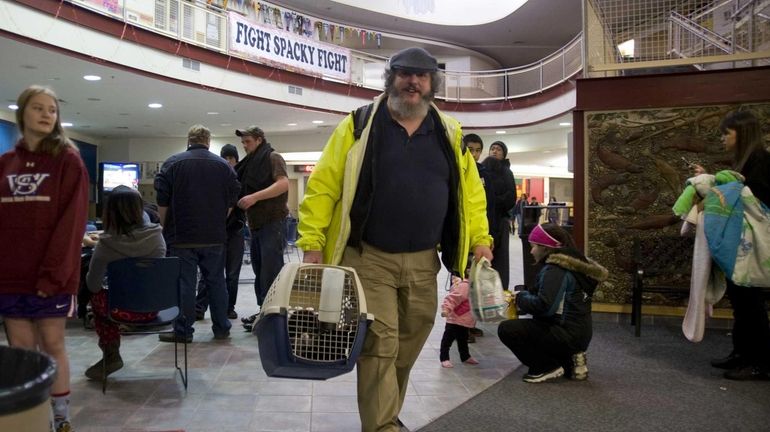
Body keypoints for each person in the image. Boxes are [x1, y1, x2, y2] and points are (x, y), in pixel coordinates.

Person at [296, 46, 493, 432]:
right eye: (405, 74)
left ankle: (387, 413)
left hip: (424, 260)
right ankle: (382, 425)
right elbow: (323, 187)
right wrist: (312, 242)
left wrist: (480, 238)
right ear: (391, 79)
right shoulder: (358, 125)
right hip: (368, 258)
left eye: (421, 76)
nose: (413, 82)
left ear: (432, 83)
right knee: (380, 344)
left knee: (410, 340)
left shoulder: (448, 132)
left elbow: (471, 194)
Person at [0, 85, 89, 432]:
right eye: (38, 108)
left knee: (52, 344)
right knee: (22, 350)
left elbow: (71, 224)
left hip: (51, 276)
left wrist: (53, 275)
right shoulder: (6, 164)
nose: (46, 114)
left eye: (52, 109)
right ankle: (34, 420)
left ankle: (62, 418)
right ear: (22, 113)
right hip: (10, 276)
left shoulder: (68, 161)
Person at [692, 110, 770, 380]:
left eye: (727, 133)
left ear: (743, 134)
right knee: (741, 302)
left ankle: (760, 362)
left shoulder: (761, 162)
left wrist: (713, 189)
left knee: (752, 305)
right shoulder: (747, 162)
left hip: (753, 247)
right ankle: (741, 354)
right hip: (741, 245)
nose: (723, 138)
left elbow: (750, 198)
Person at [154, 125, 240, 342]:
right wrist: (219, 221)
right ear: (208, 142)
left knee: (185, 284)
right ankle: (222, 328)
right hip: (214, 235)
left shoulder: (173, 163)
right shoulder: (224, 166)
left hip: (182, 235)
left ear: (189, 140)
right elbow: (232, 201)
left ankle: (183, 331)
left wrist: (164, 228)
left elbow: (162, 201)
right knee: (216, 281)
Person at [498, 223, 608, 383]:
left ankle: (546, 367)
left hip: (566, 333)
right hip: (579, 332)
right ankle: (571, 360)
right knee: (536, 326)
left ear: (546, 247)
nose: (531, 251)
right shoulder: (574, 265)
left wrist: (520, 298)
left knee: (507, 329)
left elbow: (545, 306)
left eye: (533, 246)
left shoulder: (555, 270)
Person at [83, 186, 166, 380]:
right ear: (140, 209)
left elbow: (93, 285)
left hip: (120, 311)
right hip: (157, 308)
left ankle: (111, 354)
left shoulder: (105, 245)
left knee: (97, 297)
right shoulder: (157, 236)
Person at [233, 126, 289, 329]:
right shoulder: (250, 164)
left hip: (272, 222)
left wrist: (254, 197)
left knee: (271, 270)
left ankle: (274, 316)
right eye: (243, 142)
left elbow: (283, 184)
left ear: (259, 140)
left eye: (247, 142)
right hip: (257, 224)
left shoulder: (273, 157)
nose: (245, 146)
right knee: (260, 269)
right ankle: (263, 311)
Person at [195, 144, 244, 320]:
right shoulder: (214, 177)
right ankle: (199, 307)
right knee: (209, 272)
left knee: (232, 273)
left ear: (236, 160)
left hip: (234, 231)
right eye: (225, 157)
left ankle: (228, 308)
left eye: (231, 158)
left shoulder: (240, 178)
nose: (228, 161)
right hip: (214, 232)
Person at [463, 133, 496, 341]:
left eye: (477, 150)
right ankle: (460, 327)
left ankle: (470, 323)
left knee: (476, 281)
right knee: (462, 284)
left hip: (481, 235)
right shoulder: (460, 169)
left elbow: (487, 204)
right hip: (463, 238)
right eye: (470, 149)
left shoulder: (484, 172)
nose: (474, 154)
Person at [482, 140, 517, 290]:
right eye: (492, 148)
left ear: (504, 154)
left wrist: (492, 200)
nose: (495, 151)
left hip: (500, 221)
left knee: (500, 258)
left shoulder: (506, 172)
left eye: (498, 149)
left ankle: (500, 291)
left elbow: (510, 197)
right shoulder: (482, 170)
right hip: (482, 221)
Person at [439, 274, 480, 368]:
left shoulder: (475, 285)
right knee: (448, 339)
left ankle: (465, 356)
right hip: (455, 319)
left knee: (463, 339)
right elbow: (452, 298)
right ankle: (444, 358)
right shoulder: (464, 286)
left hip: (466, 320)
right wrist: (446, 309)